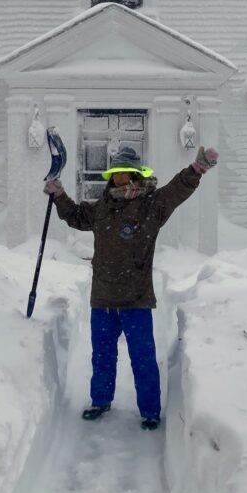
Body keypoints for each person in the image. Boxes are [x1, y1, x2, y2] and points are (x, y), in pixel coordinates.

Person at [42, 143, 219, 431]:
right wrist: (59, 195)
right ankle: (100, 400)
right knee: (102, 355)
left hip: (136, 299)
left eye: (125, 174)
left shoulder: (152, 206)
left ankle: (149, 411)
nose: (120, 179)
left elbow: (176, 190)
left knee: (143, 358)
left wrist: (197, 169)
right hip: (103, 298)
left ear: (136, 175)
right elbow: (75, 216)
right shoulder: (103, 208)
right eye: (116, 174)